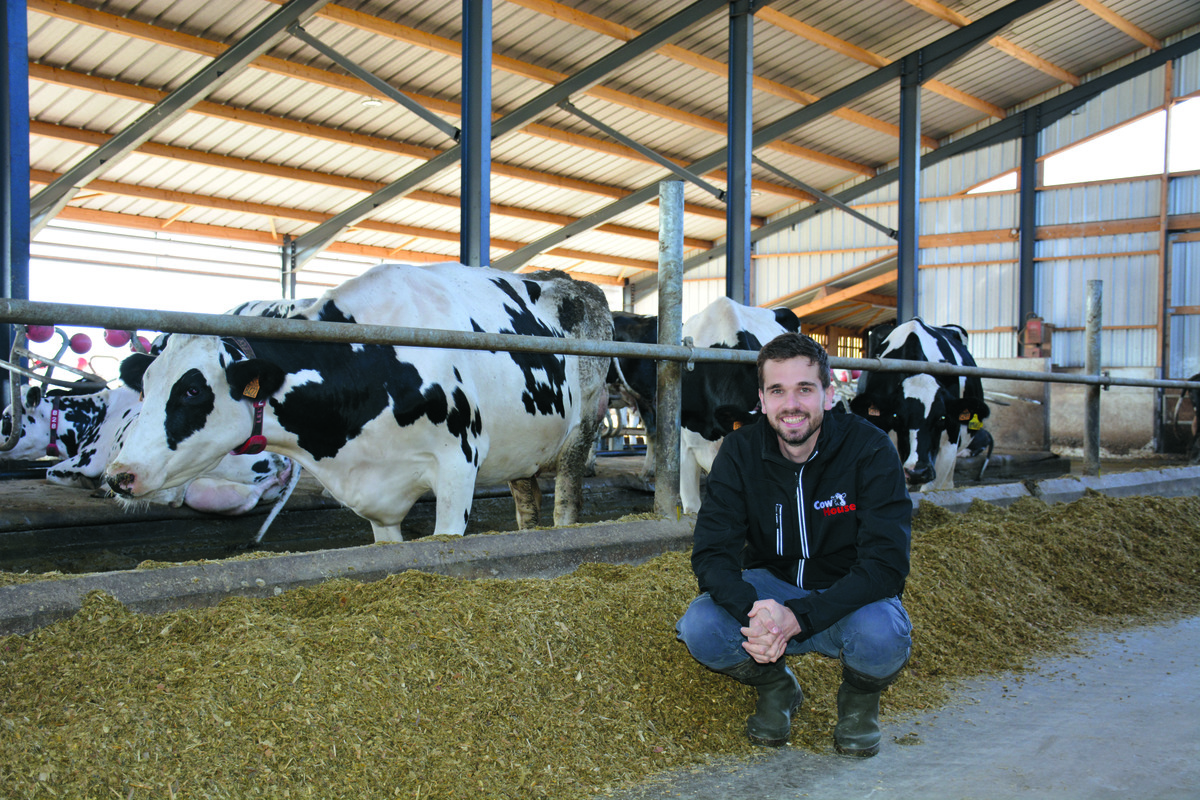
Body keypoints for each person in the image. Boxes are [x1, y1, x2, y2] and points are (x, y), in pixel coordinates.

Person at [675, 331, 912, 756]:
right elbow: (712, 552)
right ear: (762, 400)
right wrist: (755, 609)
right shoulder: (739, 451)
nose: (791, 405)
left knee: (882, 634)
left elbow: (887, 565)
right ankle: (776, 687)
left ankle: (858, 705)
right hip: (770, 589)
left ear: (828, 394)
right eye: (777, 391)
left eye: (805, 389)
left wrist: (798, 617)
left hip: (850, 596)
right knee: (701, 627)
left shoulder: (870, 449)